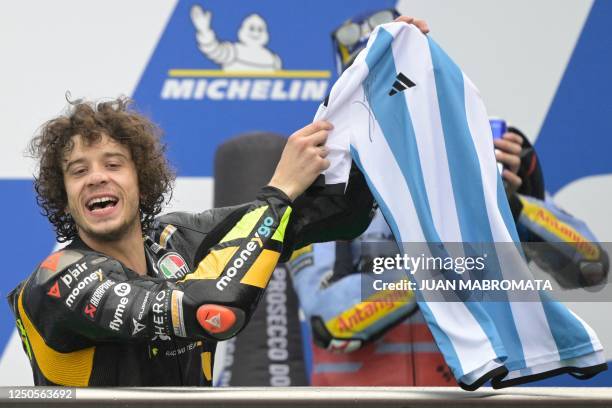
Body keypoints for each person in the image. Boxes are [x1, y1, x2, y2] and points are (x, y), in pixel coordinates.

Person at [290, 8, 608, 386]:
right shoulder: (319, 171)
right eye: (380, 80)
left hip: (468, 394)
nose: (399, 95)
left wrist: (513, 205)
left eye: (406, 76)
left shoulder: (473, 158)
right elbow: (330, 318)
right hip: (360, 399)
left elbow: (591, 265)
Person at [7, 95, 359, 386]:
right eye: (79, 171)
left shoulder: (176, 238)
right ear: (65, 198)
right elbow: (212, 312)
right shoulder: (57, 280)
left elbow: (341, 212)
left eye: (113, 165)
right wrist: (279, 193)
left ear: (141, 181)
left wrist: (381, 78)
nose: (96, 177)